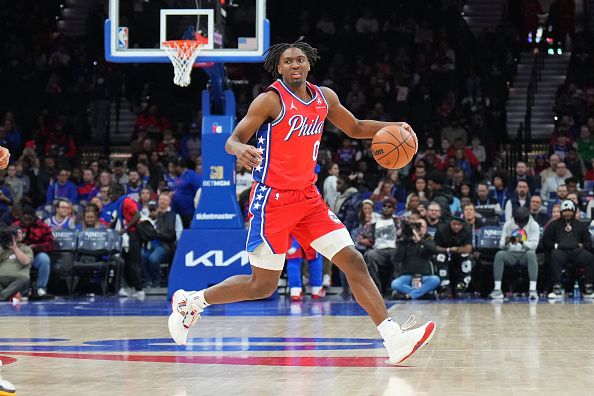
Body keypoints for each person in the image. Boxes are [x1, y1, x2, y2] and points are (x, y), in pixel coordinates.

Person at [167, 40, 435, 365]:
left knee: (353, 261)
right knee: (261, 286)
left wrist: (391, 127)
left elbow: (355, 127)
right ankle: (192, 302)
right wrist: (241, 151)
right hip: (273, 201)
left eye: (300, 60)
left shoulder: (325, 98)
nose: (295, 65)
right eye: (288, 61)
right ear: (279, 68)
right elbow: (232, 140)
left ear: (309, 64)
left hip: (308, 199)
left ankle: (394, 339)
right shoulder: (269, 100)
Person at [543, 200, 594, 299]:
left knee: (590, 258)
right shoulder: (553, 225)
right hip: (560, 251)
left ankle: (588, 287)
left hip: (577, 252)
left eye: (570, 211)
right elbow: (546, 241)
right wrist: (556, 246)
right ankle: (556, 288)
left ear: (574, 211)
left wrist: (581, 245)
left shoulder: (581, 225)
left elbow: (588, 242)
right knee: (554, 256)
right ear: (562, 211)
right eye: (565, 211)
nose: (567, 213)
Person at [489, 207, 540, 301]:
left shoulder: (534, 225)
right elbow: (501, 245)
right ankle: (497, 290)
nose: (520, 225)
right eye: (518, 223)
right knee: (499, 254)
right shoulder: (508, 224)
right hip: (511, 254)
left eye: (522, 223)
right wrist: (506, 243)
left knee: (532, 254)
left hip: (525, 255)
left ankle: (532, 290)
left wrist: (521, 242)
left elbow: (534, 246)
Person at [107, 183, 144, 299]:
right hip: (127, 236)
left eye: (110, 193)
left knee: (134, 263)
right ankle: (133, 287)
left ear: (118, 193)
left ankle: (140, 289)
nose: (109, 196)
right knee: (127, 263)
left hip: (133, 234)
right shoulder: (119, 204)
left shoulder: (127, 201)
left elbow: (137, 216)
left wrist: (126, 228)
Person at [391, 218, 440, 300]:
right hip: (407, 277)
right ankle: (423, 294)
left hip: (424, 276)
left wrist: (420, 240)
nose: (419, 229)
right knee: (395, 283)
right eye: (417, 226)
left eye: (422, 227)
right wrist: (402, 240)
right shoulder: (406, 240)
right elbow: (397, 258)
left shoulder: (428, 238)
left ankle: (409, 295)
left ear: (426, 229)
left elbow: (433, 249)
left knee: (436, 280)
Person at [13, 206, 54, 296]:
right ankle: (16, 289)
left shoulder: (42, 226)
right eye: (25, 216)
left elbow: (51, 244)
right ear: (21, 217)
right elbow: (7, 243)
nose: (27, 218)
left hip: (35, 255)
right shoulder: (15, 226)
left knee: (44, 259)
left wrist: (36, 247)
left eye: (29, 217)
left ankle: (41, 288)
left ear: (34, 217)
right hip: (18, 255)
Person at [363, 198, 399, 294]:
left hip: (393, 249)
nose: (386, 208)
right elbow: (360, 236)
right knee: (369, 255)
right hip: (378, 250)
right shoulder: (374, 222)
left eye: (389, 206)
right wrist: (363, 240)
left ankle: (391, 288)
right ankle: (376, 289)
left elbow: (406, 232)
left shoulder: (398, 221)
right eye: (384, 206)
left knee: (399, 254)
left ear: (394, 209)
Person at [140, 199, 177, 288]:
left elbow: (172, 236)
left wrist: (157, 234)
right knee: (141, 256)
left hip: (162, 245)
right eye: (150, 209)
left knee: (153, 259)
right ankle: (149, 281)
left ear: (158, 209)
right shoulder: (144, 221)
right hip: (147, 245)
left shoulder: (165, 219)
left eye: (154, 209)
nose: (152, 212)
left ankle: (156, 281)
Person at [434, 216, 474, 295]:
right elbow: (435, 247)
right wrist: (449, 249)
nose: (456, 227)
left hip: (459, 254)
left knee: (467, 256)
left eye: (459, 225)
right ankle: (444, 286)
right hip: (444, 252)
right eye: (454, 224)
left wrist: (458, 249)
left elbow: (469, 248)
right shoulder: (441, 228)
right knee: (440, 256)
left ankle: (461, 285)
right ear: (450, 222)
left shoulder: (467, 228)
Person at [286, 236, 325, 301]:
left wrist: (294, 245)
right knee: (315, 262)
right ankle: (317, 290)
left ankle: (296, 292)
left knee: (293, 263)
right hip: (309, 233)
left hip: (292, 234)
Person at [0, 225, 33, 301]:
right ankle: (12, 294)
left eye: (19, 233)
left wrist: (14, 248)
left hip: (18, 279)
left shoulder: (26, 248)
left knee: (24, 280)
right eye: (14, 235)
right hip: (1, 278)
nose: (17, 236)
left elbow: (26, 262)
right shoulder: (2, 249)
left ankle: (2, 296)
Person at [171, 158, 201, 228]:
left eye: (173, 167)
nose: (172, 170)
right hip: (178, 213)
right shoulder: (179, 177)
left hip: (189, 213)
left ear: (178, 167)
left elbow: (199, 192)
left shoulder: (192, 176)